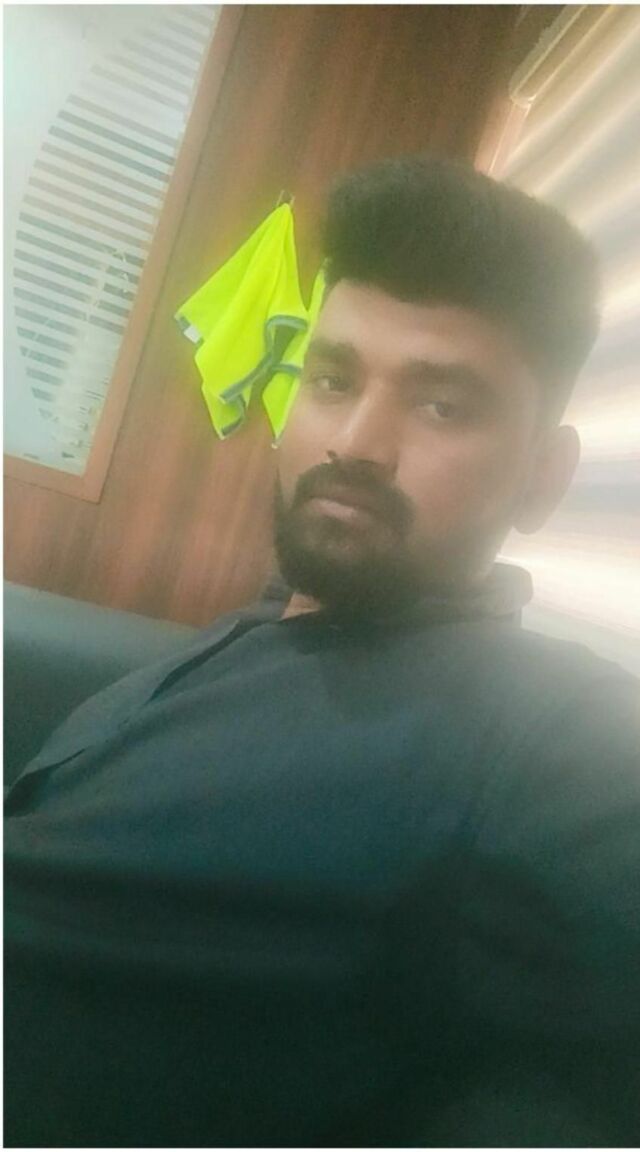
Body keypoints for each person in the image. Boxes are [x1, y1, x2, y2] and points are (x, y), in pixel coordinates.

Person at [4, 156, 639, 1148]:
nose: (357, 441)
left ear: (541, 478)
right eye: (332, 379)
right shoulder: (270, 625)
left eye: (442, 405)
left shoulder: (550, 728)